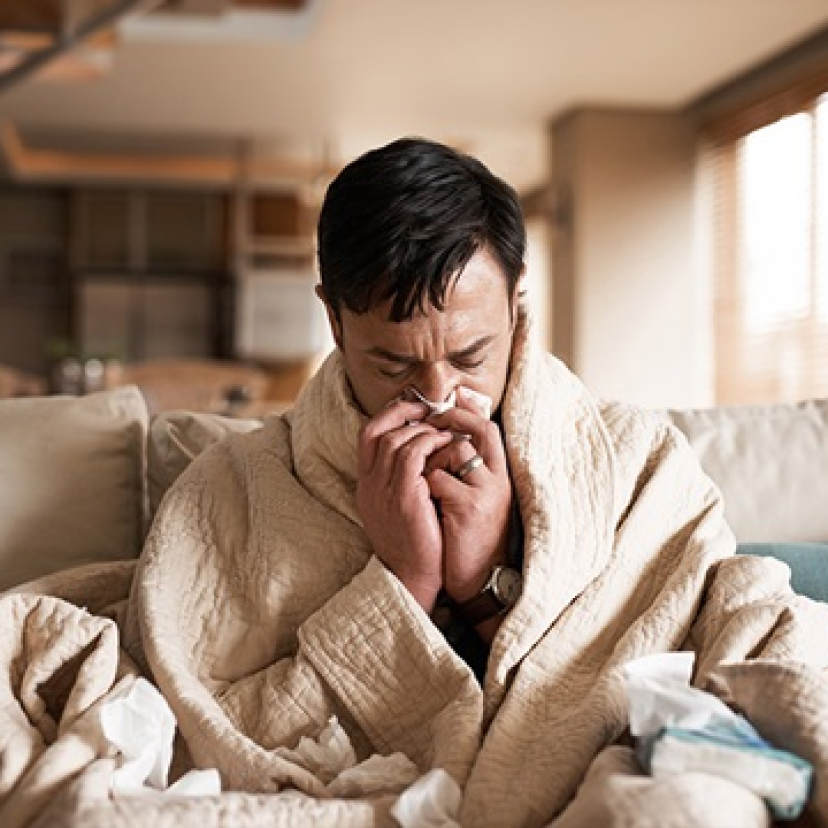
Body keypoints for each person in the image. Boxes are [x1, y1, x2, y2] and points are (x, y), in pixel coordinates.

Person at [129, 137, 828, 827]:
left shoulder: (638, 459)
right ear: (334, 322)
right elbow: (202, 733)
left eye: (471, 355)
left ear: (518, 303)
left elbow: (677, 679)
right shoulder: (231, 489)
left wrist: (489, 584)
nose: (439, 396)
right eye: (393, 365)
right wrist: (403, 583)